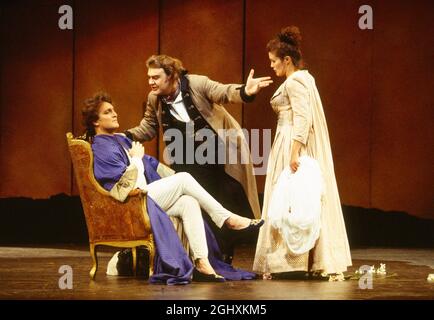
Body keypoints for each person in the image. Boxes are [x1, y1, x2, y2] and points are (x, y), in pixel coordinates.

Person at [82, 92, 263, 284]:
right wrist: (136, 158)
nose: (115, 113)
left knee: (188, 201)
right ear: (95, 121)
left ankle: (202, 263)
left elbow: (152, 165)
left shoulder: (119, 140)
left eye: (113, 109)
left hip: (144, 196)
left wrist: (177, 181)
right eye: (107, 112)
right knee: (185, 178)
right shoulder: (101, 148)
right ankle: (227, 218)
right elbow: (123, 189)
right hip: (130, 204)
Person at [125, 55, 273, 263]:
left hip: (216, 152)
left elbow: (223, 92)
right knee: (198, 205)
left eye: (156, 77)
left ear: (171, 75)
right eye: (149, 77)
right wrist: (125, 136)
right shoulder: (154, 98)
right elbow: (149, 126)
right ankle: (205, 255)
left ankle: (223, 252)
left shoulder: (196, 83)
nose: (151, 82)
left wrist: (245, 91)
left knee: (224, 198)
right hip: (184, 156)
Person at [253, 26, 352, 280]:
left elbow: (303, 118)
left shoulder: (296, 81)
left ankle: (288, 262)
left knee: (291, 200)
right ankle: (305, 261)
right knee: (297, 200)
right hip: (287, 140)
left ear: (287, 60)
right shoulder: (304, 79)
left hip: (291, 142)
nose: (272, 66)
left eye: (275, 61)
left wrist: (294, 152)